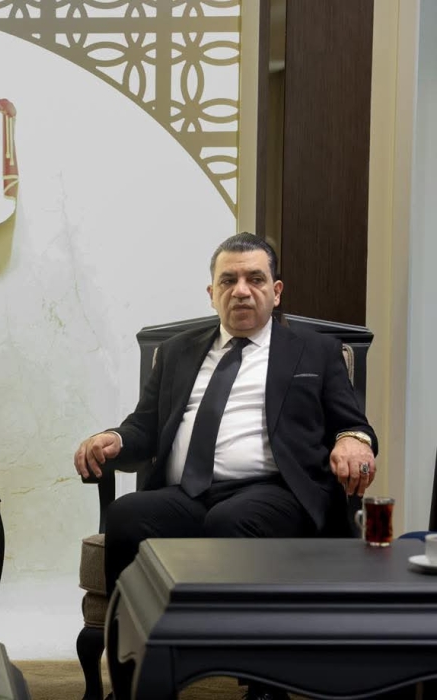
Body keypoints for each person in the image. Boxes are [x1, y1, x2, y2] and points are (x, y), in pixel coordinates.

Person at [74, 233, 377, 700]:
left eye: (255, 279)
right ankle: (134, 674)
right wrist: (113, 438)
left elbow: (352, 422)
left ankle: (263, 681)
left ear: (276, 291)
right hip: (189, 494)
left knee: (232, 520)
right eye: (228, 280)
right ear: (211, 292)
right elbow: (144, 427)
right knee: (128, 514)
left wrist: (354, 440)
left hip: (275, 493)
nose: (241, 290)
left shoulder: (315, 351)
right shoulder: (177, 351)